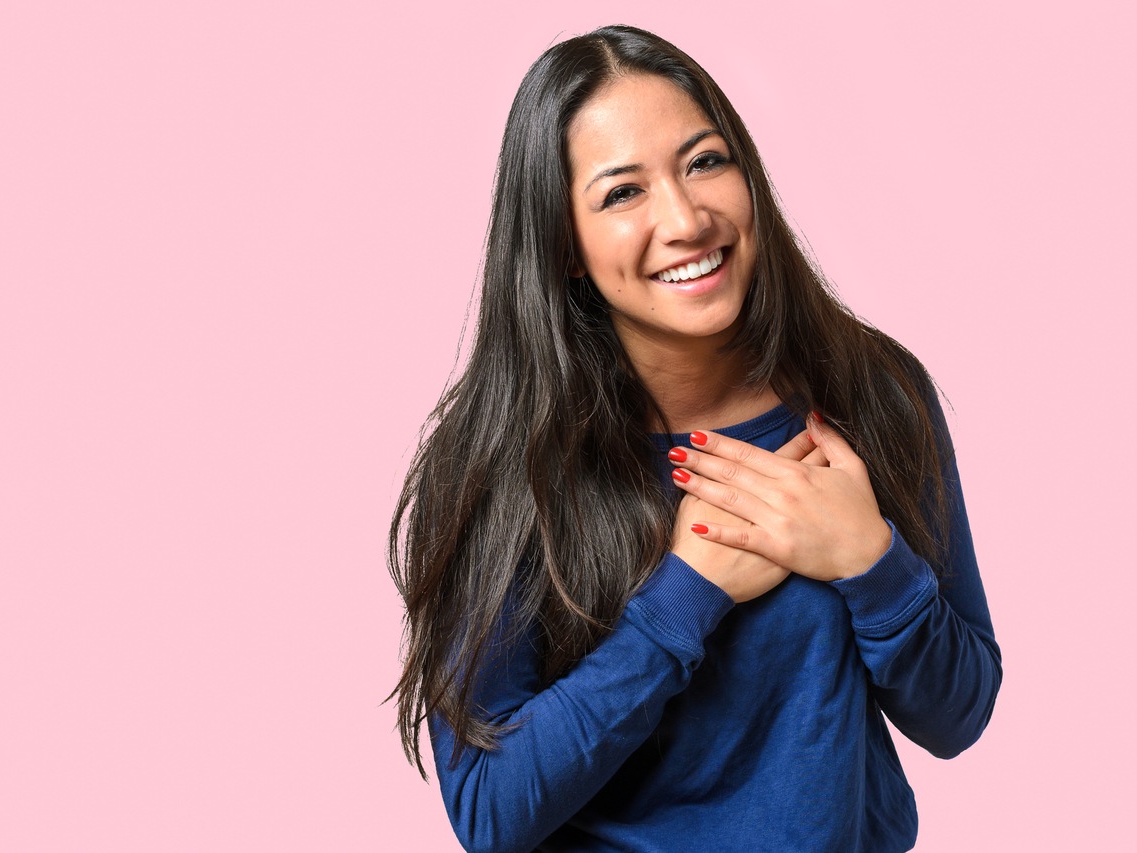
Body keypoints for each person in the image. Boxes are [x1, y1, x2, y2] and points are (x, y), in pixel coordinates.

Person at [388, 24, 1001, 853]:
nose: (685, 218)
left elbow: (958, 713)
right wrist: (684, 596)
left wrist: (870, 558)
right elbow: (491, 811)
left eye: (705, 161)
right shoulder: (501, 464)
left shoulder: (872, 394)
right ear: (564, 245)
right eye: (621, 193)